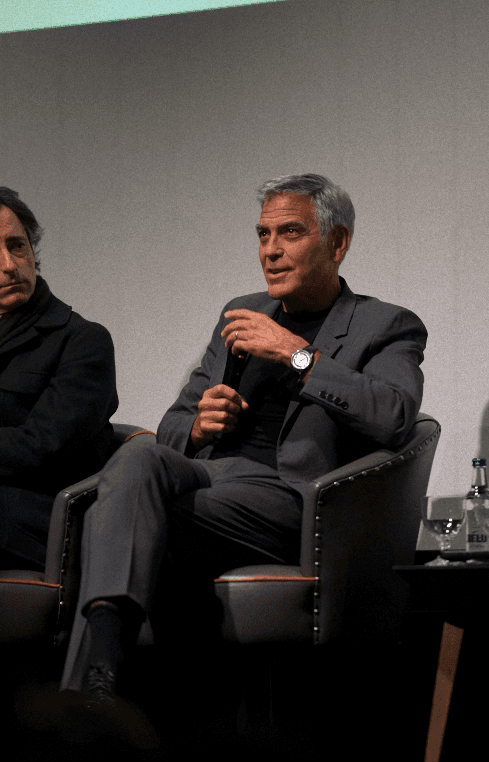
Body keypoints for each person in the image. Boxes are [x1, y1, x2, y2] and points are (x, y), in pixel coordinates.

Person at [59, 173, 427, 715]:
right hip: (211, 481)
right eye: (262, 235)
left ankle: (88, 697)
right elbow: (173, 424)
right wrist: (199, 426)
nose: (271, 252)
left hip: (293, 500)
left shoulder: (386, 325)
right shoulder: (242, 311)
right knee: (135, 458)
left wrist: (297, 355)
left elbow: (396, 415)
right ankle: (105, 677)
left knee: (114, 514)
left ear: (338, 243)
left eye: (290, 233)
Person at [0, 188, 118, 572]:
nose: (8, 265)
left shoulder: (83, 340)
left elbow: (42, 448)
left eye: (16, 246)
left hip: (43, 517)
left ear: (33, 251)